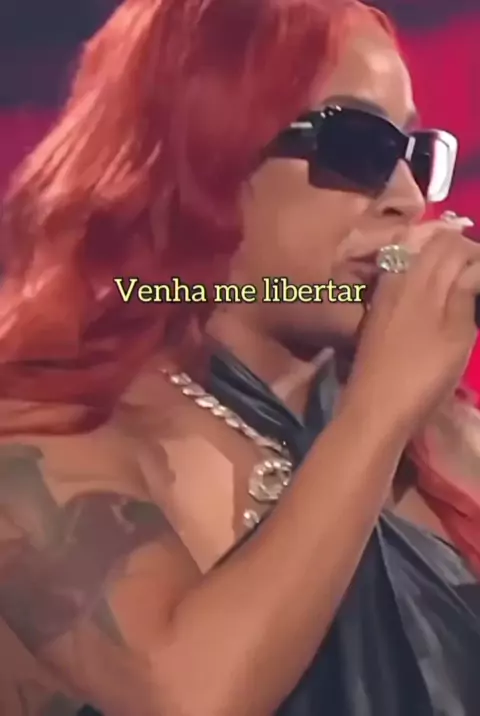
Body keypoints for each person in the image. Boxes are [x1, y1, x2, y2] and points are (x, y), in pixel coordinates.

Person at [0, 0, 480, 714]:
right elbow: (190, 698)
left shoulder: (443, 438)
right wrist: (378, 413)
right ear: (200, 150)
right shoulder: (40, 435)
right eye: (358, 145)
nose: (407, 201)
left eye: (417, 155)